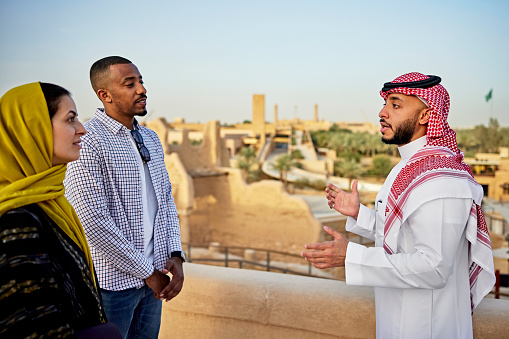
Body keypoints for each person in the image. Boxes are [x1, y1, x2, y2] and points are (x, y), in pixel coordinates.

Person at [301, 72, 495, 338]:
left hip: (429, 326)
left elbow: (433, 267)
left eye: (395, 104)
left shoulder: (440, 178)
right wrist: (360, 214)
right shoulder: (410, 167)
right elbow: (404, 237)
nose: (382, 112)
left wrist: (351, 256)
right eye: (385, 103)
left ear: (426, 116)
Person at [64, 56, 184, 339]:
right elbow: (92, 220)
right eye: (130, 84)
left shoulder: (151, 138)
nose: (141, 89)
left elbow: (165, 202)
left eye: (141, 81)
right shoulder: (88, 139)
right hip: (113, 287)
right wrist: (148, 273)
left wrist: (175, 255)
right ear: (104, 95)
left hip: (154, 281)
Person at [0, 82, 117, 337]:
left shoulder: (50, 200)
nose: (82, 129)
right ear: (33, 129)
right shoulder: (16, 219)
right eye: (71, 119)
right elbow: (37, 322)